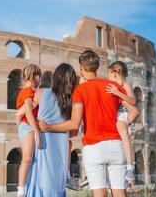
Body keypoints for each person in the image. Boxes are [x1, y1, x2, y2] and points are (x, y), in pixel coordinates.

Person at [39, 50, 140, 197]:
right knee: (120, 193)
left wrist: (48, 127)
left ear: (81, 67)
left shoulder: (80, 90)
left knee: (99, 194)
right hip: (116, 145)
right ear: (97, 67)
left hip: (94, 147)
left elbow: (74, 124)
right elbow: (135, 111)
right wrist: (123, 124)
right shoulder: (112, 86)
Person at [25, 63, 77, 196]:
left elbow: (28, 116)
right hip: (60, 151)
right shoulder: (71, 103)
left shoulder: (41, 93)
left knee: (41, 184)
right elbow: (74, 131)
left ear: (55, 77)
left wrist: (44, 128)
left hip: (42, 147)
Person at [106, 61, 140, 185]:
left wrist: (118, 93)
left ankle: (130, 168)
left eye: (111, 75)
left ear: (117, 73)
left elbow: (132, 100)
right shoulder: (114, 85)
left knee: (123, 131)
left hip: (123, 114)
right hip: (115, 114)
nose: (109, 78)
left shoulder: (126, 85)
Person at [16, 64, 42, 197]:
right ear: (32, 77)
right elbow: (28, 113)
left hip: (29, 125)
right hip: (28, 126)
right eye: (38, 76)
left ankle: (26, 186)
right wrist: (37, 131)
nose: (39, 79)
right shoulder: (27, 91)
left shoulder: (33, 92)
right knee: (27, 157)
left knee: (30, 158)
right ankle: (20, 191)